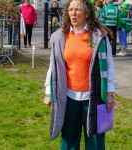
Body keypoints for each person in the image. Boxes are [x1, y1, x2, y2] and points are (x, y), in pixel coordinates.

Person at [44, 0, 118, 149]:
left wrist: (110, 92)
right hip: (69, 97)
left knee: (95, 140)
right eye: (70, 9)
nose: (73, 13)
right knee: (69, 140)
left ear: (87, 13)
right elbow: (54, 66)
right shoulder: (60, 36)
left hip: (95, 96)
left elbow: (108, 66)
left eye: (77, 9)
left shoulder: (99, 36)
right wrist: (48, 91)